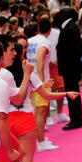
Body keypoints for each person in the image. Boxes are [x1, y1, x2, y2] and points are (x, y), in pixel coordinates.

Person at [27, 17, 59, 151]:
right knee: (40, 111)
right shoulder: (45, 42)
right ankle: (40, 141)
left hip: (30, 77)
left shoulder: (30, 40)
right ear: (50, 30)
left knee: (37, 110)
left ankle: (40, 139)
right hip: (40, 79)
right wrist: (41, 81)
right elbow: (40, 59)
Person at [56, 7, 82, 130]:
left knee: (72, 94)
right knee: (72, 93)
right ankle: (76, 119)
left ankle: (76, 120)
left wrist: (76, 71)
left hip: (70, 69)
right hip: (70, 68)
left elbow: (73, 51)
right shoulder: (70, 28)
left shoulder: (69, 29)